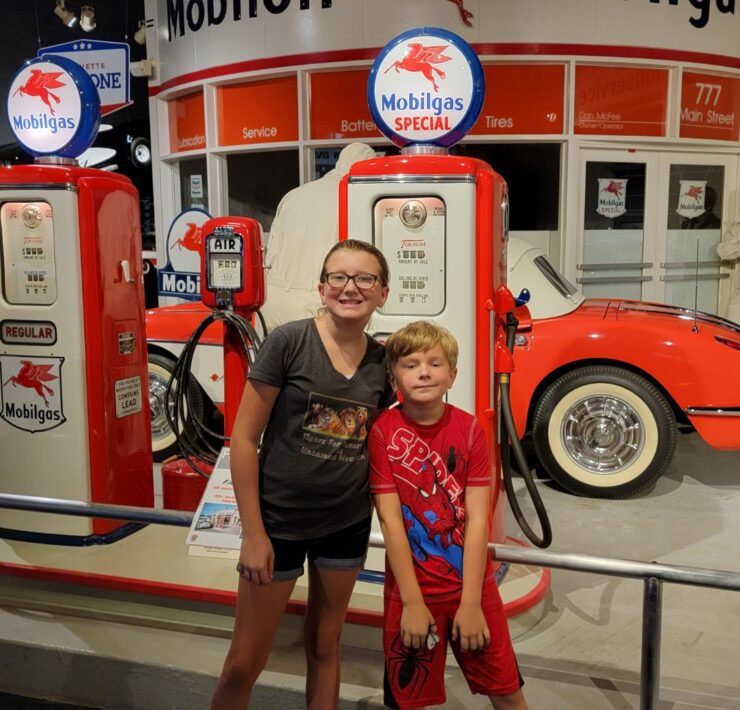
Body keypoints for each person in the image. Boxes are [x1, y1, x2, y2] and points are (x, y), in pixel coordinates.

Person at [211, 239, 393, 709]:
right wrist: (253, 533)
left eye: (364, 278)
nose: (350, 288)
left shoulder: (383, 364)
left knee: (325, 647)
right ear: (322, 285)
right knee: (243, 663)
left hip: (345, 527)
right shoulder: (288, 342)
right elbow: (244, 439)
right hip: (278, 526)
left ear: (383, 292)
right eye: (339, 276)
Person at [369, 321, 528, 710]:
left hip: (472, 588)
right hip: (410, 592)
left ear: (453, 375)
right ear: (393, 379)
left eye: (434, 363)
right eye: (410, 364)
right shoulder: (382, 433)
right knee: (410, 700)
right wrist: (411, 603)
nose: (423, 372)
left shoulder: (470, 430)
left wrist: (471, 602)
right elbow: (391, 522)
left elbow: (476, 520)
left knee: (506, 689)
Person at [261, 142, 377, 331]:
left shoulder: (293, 195)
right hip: (315, 304)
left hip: (273, 301)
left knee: (274, 359)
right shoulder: (354, 198)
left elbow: (272, 252)